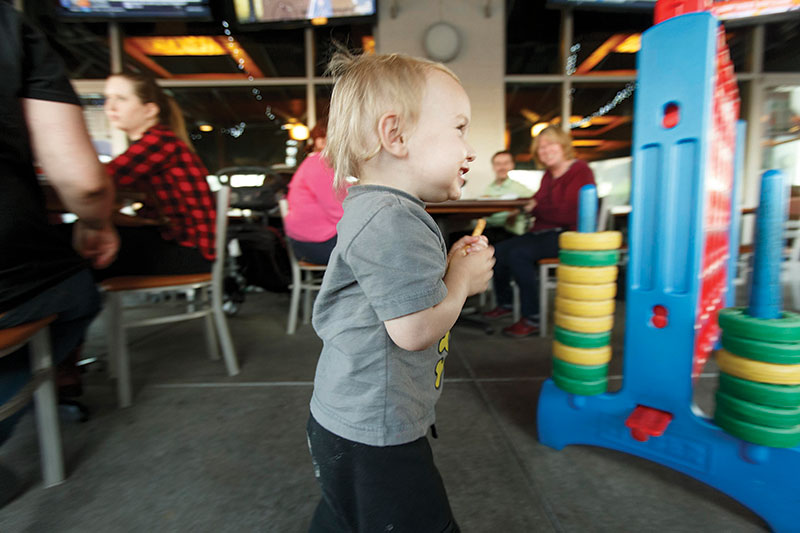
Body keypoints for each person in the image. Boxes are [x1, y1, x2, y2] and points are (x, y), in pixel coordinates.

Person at [306, 50, 495, 532]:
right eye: (459, 128)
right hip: (373, 428)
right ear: (395, 135)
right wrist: (463, 282)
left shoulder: (386, 210)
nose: (468, 148)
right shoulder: (392, 219)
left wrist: (451, 263)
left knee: (347, 517)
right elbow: (412, 330)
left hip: (354, 418)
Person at [0, 2, 118, 454]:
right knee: (77, 282)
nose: (112, 109)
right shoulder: (11, 29)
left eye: (119, 102)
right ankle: (54, 376)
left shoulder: (154, 146)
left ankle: (64, 375)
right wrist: (97, 223)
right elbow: (86, 184)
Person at [98, 72, 216, 279]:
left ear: (150, 110)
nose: (110, 107)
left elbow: (96, 181)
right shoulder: (162, 141)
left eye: (121, 99)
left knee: (66, 245)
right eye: (107, 98)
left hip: (189, 252)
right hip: (188, 247)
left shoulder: (159, 142)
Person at [483, 125, 596, 338]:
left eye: (550, 144)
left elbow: (568, 214)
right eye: (540, 148)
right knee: (497, 250)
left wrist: (537, 207)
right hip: (544, 232)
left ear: (563, 145)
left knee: (518, 254)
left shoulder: (580, 170)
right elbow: (543, 206)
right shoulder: (548, 176)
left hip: (568, 235)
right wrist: (537, 207)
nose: (545, 151)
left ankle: (531, 318)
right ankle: (506, 303)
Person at [283, 117, 343, 264]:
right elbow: (338, 211)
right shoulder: (320, 163)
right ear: (322, 141)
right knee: (377, 246)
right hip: (317, 243)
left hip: (305, 242)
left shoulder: (314, 163)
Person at [478, 150, 533, 244]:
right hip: (489, 229)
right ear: (493, 167)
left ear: (512, 165)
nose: (502, 167)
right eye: (498, 164)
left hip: (510, 232)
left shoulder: (520, 188)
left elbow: (535, 202)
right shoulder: (489, 188)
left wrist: (518, 210)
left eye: (506, 163)